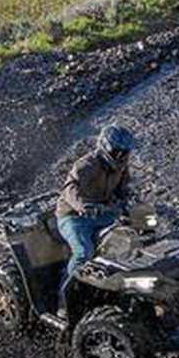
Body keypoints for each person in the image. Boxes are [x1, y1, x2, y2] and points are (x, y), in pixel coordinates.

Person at [54, 124, 136, 317]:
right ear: (105, 147)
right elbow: (70, 188)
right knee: (84, 252)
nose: (122, 157)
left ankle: (115, 290)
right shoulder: (87, 165)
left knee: (130, 240)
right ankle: (64, 300)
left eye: (125, 153)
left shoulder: (121, 168)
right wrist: (82, 205)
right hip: (73, 217)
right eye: (117, 152)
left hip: (101, 213)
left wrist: (128, 203)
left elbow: (123, 191)